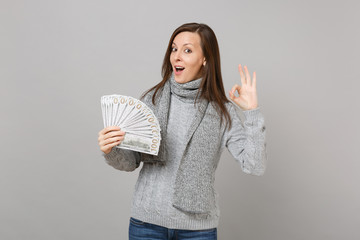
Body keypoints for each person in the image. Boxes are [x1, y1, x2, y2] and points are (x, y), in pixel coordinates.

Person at [97, 22, 267, 240]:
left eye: (187, 50)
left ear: (205, 59)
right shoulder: (152, 100)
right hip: (146, 224)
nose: (176, 56)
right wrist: (111, 149)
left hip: (198, 230)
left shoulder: (223, 111)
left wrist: (252, 112)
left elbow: (255, 165)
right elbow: (130, 161)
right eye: (174, 49)